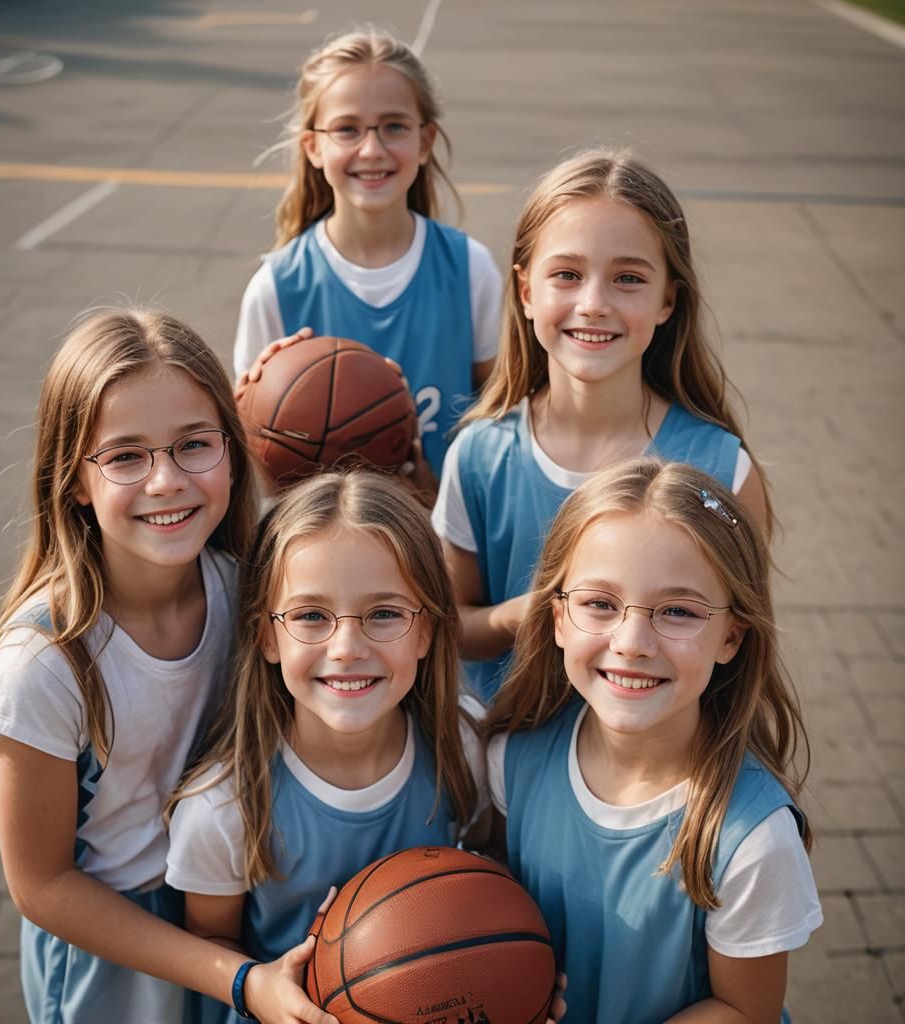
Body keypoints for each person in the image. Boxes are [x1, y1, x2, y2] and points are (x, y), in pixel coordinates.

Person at [0, 309, 265, 1023]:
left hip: (232, 901)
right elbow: (42, 885)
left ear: (230, 449)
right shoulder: (46, 659)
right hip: (112, 943)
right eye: (126, 456)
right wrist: (231, 975)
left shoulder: (247, 587)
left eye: (194, 444)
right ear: (73, 480)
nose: (166, 480)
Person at [485, 458, 821, 1024]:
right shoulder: (512, 757)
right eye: (599, 604)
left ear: (731, 636)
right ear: (558, 617)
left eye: (677, 611)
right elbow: (487, 905)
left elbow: (745, 1010)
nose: (633, 641)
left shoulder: (751, 838)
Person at [432, 148, 774, 701]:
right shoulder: (478, 455)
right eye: (567, 274)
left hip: (655, 775)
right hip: (502, 772)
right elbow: (450, 626)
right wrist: (524, 616)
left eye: (628, 279)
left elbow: (741, 660)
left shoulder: (722, 470)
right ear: (525, 291)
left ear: (668, 298)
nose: (593, 303)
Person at [165, 470, 484, 1023]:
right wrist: (262, 993)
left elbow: (487, 880)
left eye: (384, 614)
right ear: (266, 635)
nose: (346, 648)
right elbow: (212, 943)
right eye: (311, 616)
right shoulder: (224, 807)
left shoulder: (462, 745)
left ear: (428, 630)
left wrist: (509, 983)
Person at [233, 27, 503, 482]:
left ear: (425, 141)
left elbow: (501, 414)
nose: (372, 149)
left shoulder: (469, 268)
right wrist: (257, 409)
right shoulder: (277, 286)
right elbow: (250, 462)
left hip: (440, 541)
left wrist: (432, 491)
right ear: (314, 146)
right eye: (347, 129)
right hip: (318, 542)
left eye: (394, 126)